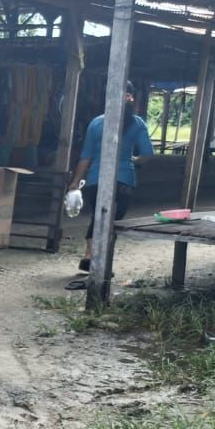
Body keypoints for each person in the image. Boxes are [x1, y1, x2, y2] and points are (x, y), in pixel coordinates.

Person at [66, 83, 153, 289]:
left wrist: (74, 182)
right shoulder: (137, 123)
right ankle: (101, 260)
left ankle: (90, 254)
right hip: (124, 180)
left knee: (99, 217)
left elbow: (85, 157)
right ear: (130, 97)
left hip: (96, 180)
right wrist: (133, 159)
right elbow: (148, 155)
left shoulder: (96, 123)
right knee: (112, 221)